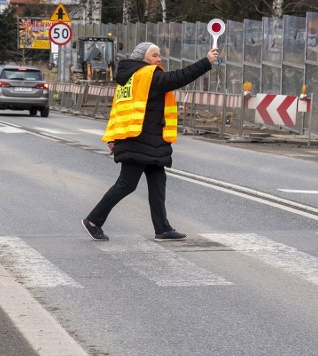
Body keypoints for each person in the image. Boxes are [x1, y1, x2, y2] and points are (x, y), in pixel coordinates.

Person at [82, 42, 218, 241]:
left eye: (159, 55)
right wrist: (206, 62)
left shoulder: (130, 79)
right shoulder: (147, 75)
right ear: (143, 58)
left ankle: (162, 228)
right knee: (126, 184)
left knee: (157, 182)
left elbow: (119, 110)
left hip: (146, 139)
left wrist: (114, 137)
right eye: (155, 55)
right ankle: (93, 220)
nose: (159, 59)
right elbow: (177, 78)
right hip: (139, 140)